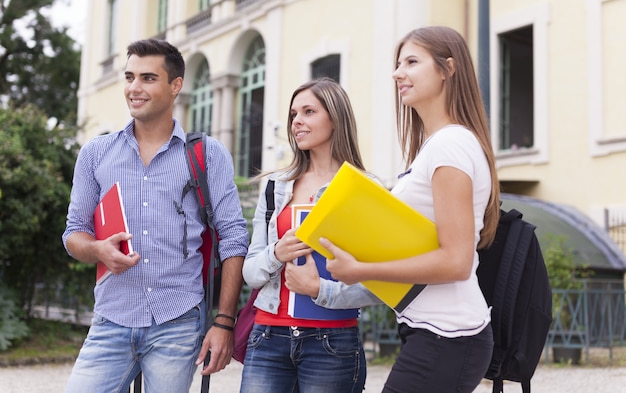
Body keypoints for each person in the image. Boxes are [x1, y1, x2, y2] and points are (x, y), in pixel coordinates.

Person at [62, 38, 249, 393]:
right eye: (130, 77)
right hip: (111, 317)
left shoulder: (207, 154)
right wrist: (98, 249)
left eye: (148, 78)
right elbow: (74, 233)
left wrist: (224, 322)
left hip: (177, 321)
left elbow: (234, 238)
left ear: (175, 85)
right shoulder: (96, 154)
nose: (134, 88)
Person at [321, 26, 501, 393]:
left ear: (447, 69)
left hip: (448, 335)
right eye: (398, 63)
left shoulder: (450, 146)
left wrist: (361, 270)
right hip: (436, 332)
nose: (397, 73)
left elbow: (456, 261)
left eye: (412, 62)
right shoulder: (440, 146)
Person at [240, 77, 380, 393]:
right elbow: (250, 272)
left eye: (308, 112)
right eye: (293, 115)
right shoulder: (275, 186)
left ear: (335, 117)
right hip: (268, 338)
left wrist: (320, 289)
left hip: (332, 343)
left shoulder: (363, 189)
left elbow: (378, 286)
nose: (297, 122)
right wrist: (277, 253)